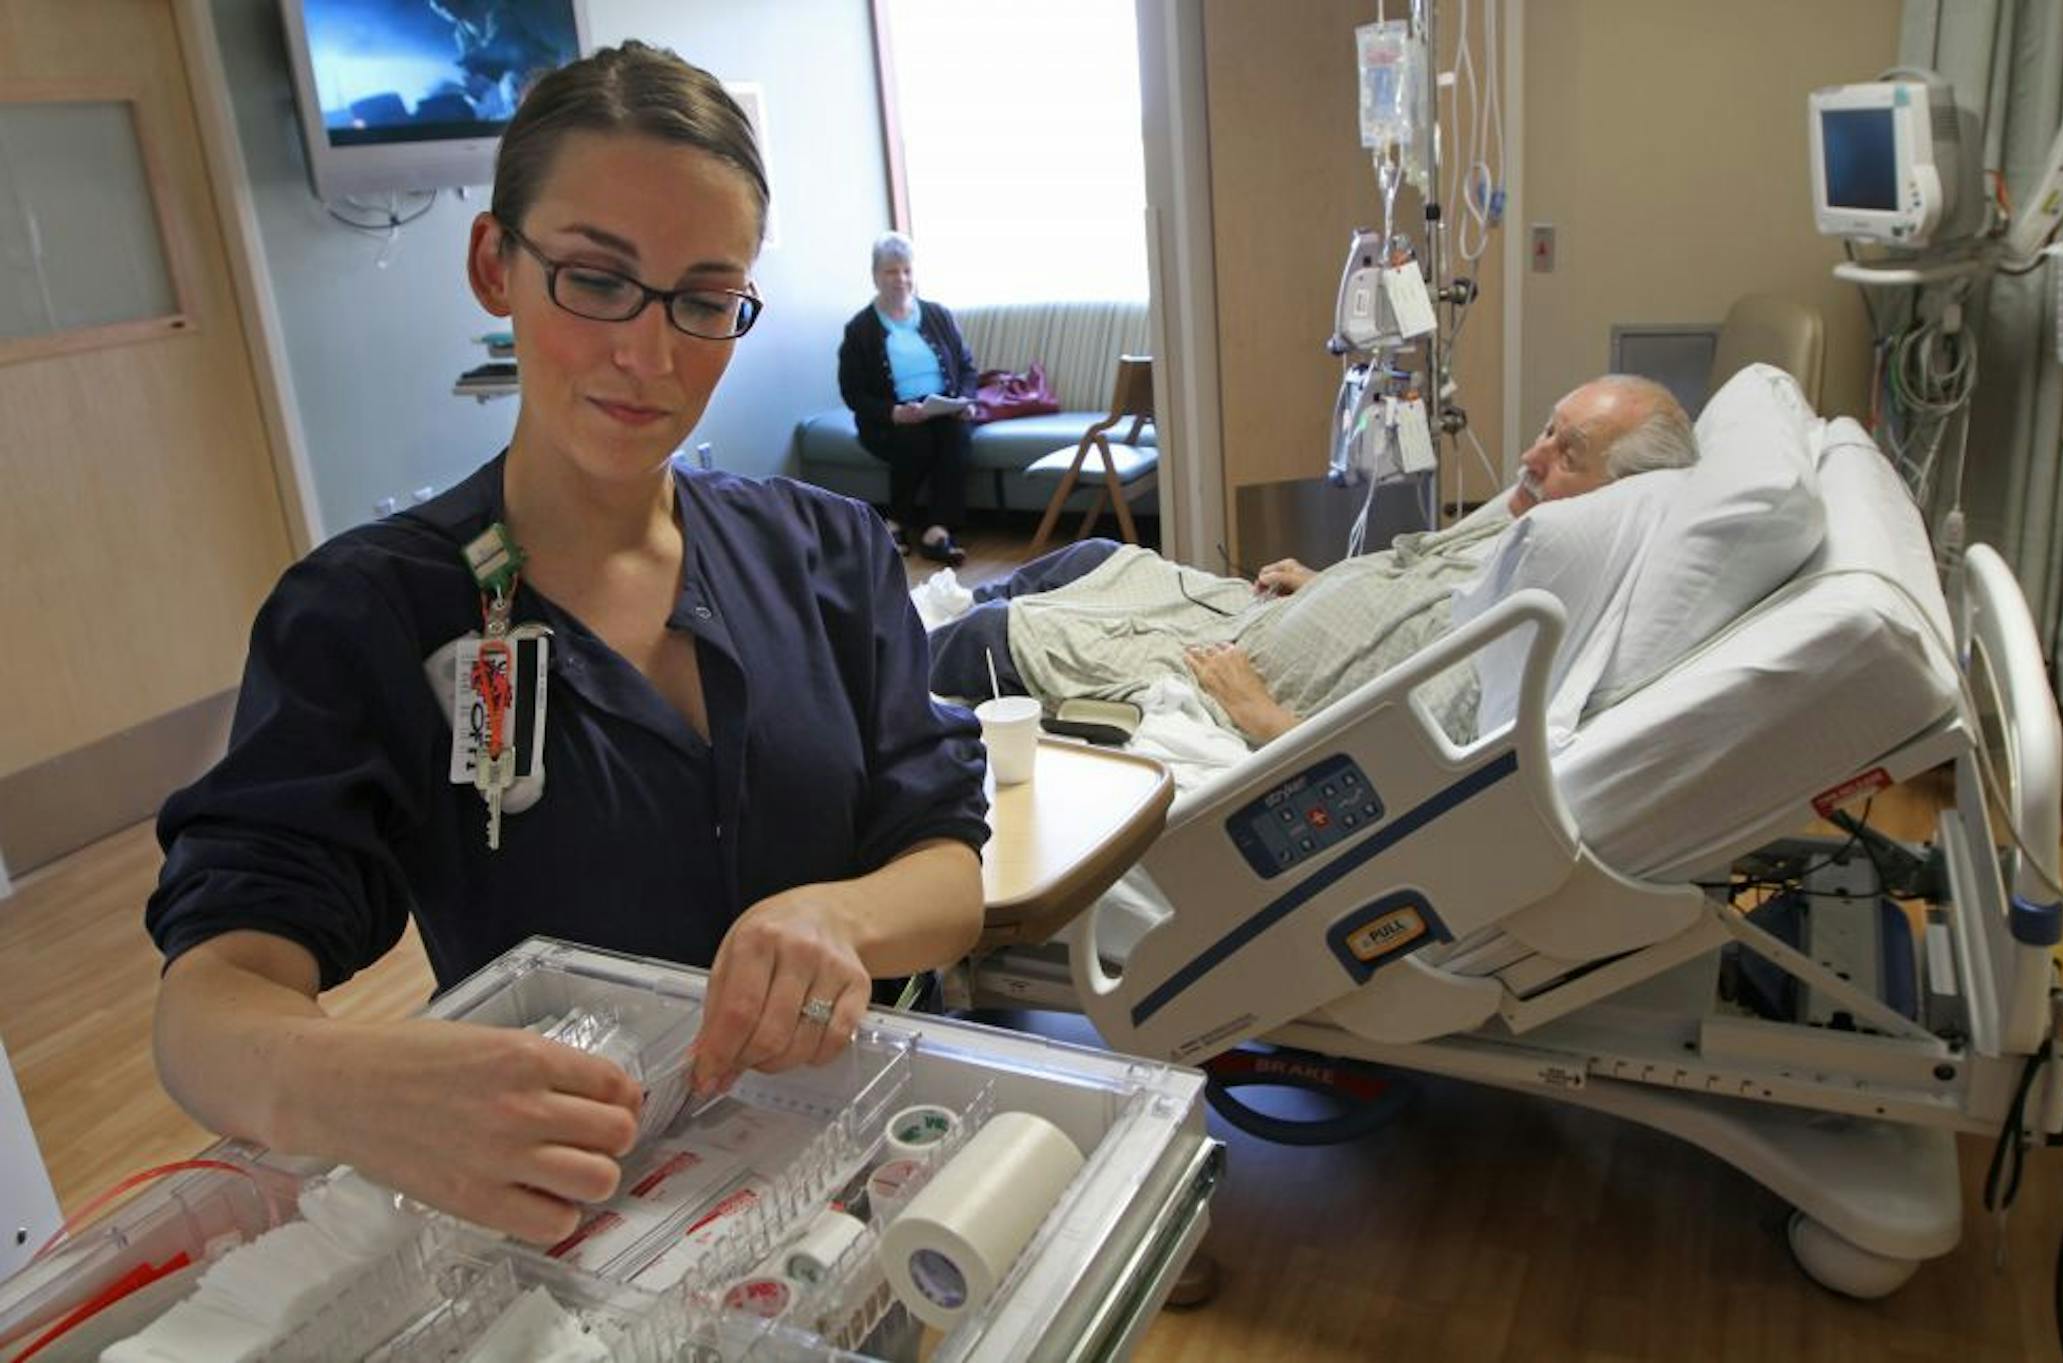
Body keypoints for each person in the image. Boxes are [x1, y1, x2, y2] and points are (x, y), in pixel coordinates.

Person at [144, 43, 990, 1246]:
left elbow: (947, 866)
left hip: (874, 1168)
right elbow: (210, 1000)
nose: (649, 356)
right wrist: (346, 1084)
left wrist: (839, 920)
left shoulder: (827, 552)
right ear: (497, 264)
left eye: (704, 299)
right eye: (597, 279)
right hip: (583, 1222)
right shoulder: (372, 613)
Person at [927, 374, 1698, 743]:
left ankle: (858, 683)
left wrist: (1260, 712)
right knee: (1093, 554)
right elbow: (1418, 586)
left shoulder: (1540, 608)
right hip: (1247, 616)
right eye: (1546, 428)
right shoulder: (1527, 517)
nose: (1534, 456)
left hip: (1223, 677)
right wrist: (1328, 585)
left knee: (1000, 635)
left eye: (1571, 451)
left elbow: (1427, 750)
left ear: (1622, 493)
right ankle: (899, 640)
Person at [837, 233, 977, 565]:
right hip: (891, 421)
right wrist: (895, 412)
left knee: (955, 434)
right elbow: (852, 392)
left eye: (906, 270)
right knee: (916, 436)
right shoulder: (860, 329)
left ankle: (937, 529)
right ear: (875, 276)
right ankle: (896, 520)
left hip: (944, 409)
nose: (900, 279)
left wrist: (965, 401)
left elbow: (969, 368)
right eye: (890, 271)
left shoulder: (938, 315)